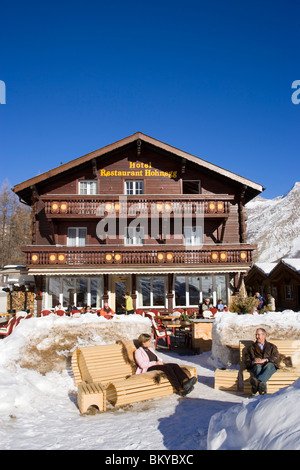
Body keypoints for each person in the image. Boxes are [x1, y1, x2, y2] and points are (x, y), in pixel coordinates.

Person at [244, 328, 280, 395]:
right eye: (256, 335)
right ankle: (262, 392)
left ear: (264, 335)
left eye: (258, 335)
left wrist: (266, 360)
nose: (257, 337)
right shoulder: (251, 348)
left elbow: (277, 357)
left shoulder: (272, 347)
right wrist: (253, 361)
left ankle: (256, 385)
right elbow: (247, 360)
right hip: (257, 366)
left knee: (269, 365)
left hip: (269, 366)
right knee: (258, 367)